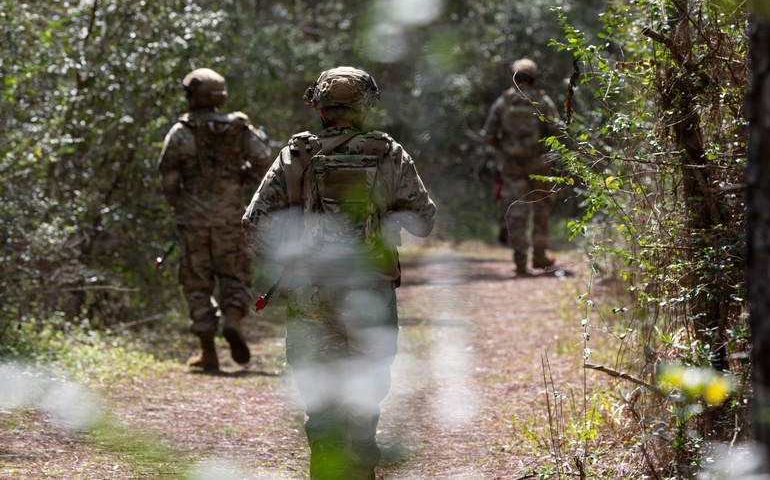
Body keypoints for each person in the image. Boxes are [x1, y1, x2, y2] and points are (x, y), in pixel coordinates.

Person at [242, 66, 436, 480]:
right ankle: (362, 455)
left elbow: (254, 223)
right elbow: (424, 220)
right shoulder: (389, 153)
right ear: (367, 107)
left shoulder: (296, 155)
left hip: (309, 289)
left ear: (321, 108)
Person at [157, 67, 273, 371]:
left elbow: (169, 176)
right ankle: (232, 319)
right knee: (234, 274)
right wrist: (242, 179)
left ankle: (208, 351)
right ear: (220, 97)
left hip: (192, 219)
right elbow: (263, 160)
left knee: (197, 282)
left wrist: (179, 205)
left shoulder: (180, 132)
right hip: (230, 216)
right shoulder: (238, 128)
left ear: (193, 97)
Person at [481, 58, 561, 276]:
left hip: (512, 166)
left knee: (516, 212)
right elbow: (557, 130)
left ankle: (520, 261)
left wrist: (505, 150)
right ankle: (539, 256)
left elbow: (488, 135)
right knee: (541, 208)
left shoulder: (503, 103)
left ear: (514, 77)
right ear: (534, 77)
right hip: (539, 164)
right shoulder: (542, 101)